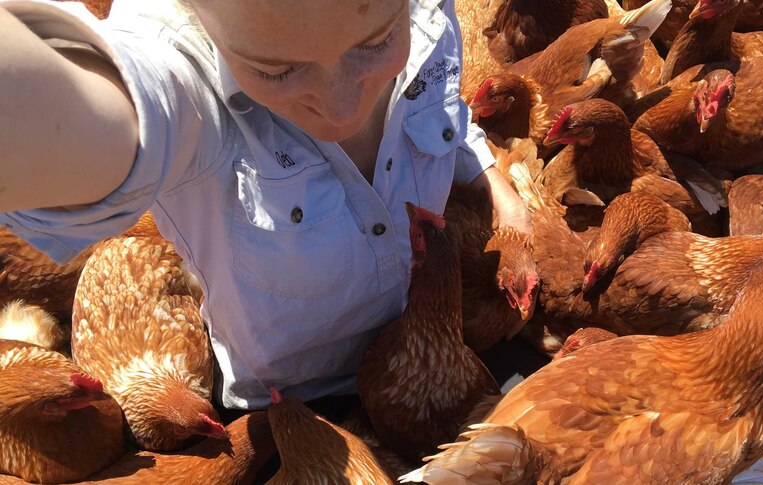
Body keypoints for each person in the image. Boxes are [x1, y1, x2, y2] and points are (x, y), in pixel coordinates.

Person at [0, 0, 532, 410]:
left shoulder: (422, 9)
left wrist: (491, 181)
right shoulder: (183, 79)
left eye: (377, 41)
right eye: (276, 71)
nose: (342, 107)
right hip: (297, 406)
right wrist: (57, 117)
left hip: (438, 342)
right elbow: (79, 120)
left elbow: (440, 96)